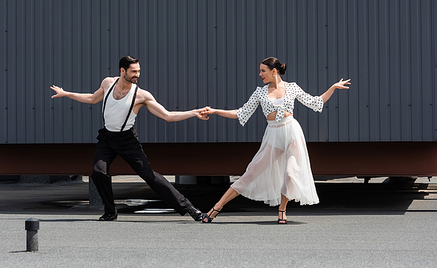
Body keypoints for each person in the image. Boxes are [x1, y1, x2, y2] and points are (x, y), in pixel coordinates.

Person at [50, 55, 207, 221]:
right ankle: (110, 212)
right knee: (98, 172)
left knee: (150, 176)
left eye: (138, 71)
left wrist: (194, 113)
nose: (137, 75)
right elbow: (92, 98)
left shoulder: (141, 95)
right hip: (107, 139)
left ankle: (190, 208)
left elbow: (167, 115)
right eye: (133, 72)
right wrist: (66, 93)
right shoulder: (107, 83)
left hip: (127, 141)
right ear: (122, 70)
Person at [200, 57, 350, 224]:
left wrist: (333, 88)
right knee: (250, 173)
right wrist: (214, 111)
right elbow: (240, 113)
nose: (260, 74)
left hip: (292, 131)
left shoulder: (292, 87)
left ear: (274, 71)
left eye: (263, 71)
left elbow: (315, 102)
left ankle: (282, 210)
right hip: (273, 134)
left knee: (291, 173)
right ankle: (216, 208)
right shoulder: (260, 92)